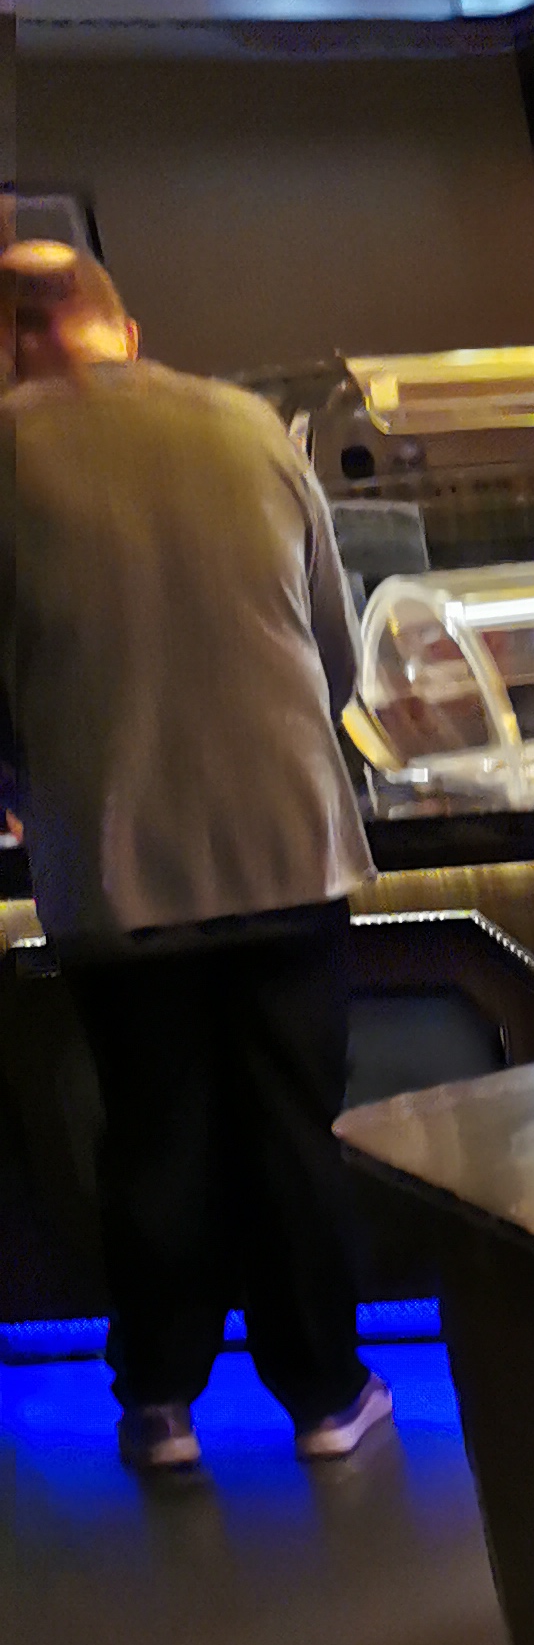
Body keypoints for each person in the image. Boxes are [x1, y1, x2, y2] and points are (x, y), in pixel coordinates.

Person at [0, 242, 389, 1477]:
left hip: (118, 861)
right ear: (124, 330)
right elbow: (337, 648)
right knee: (295, 1130)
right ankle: (327, 1396)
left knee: (154, 1135)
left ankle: (161, 1405)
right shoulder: (249, 424)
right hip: (288, 841)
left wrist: (22, 781)